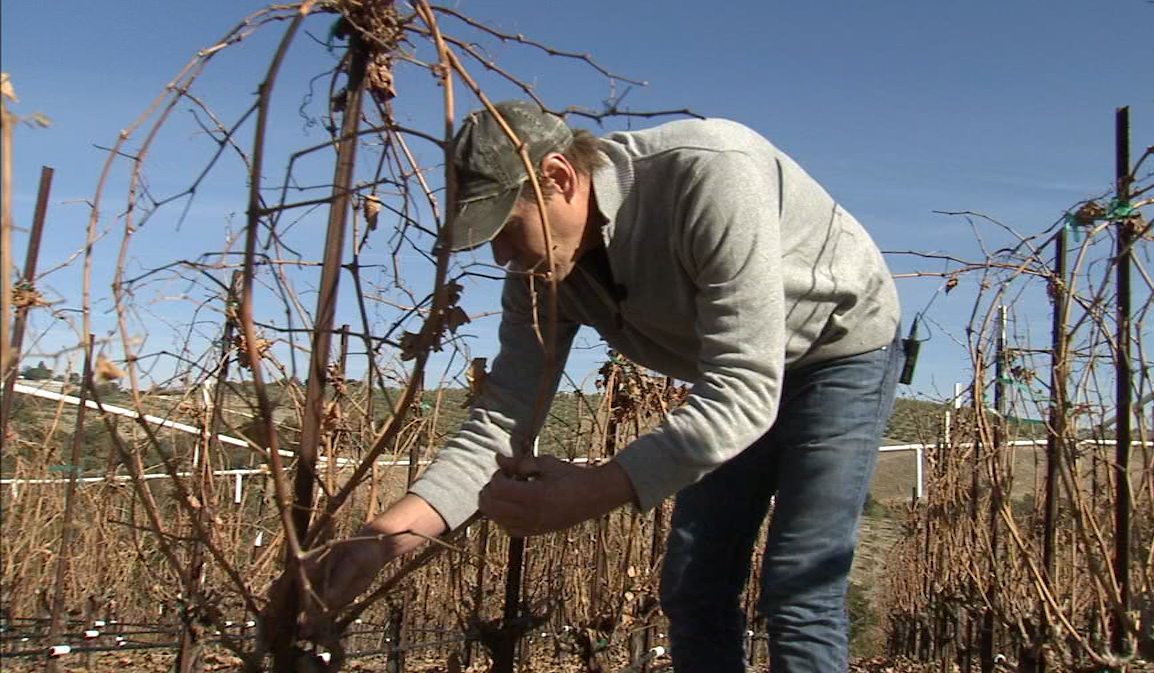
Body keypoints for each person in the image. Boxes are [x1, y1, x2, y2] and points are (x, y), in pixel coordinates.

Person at [313, 100, 901, 671]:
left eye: (505, 226)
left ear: (558, 177)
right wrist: (382, 538)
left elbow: (744, 386)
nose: (499, 255)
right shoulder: (538, 273)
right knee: (695, 588)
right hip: (733, 378)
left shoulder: (712, 171)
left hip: (838, 352)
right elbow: (503, 419)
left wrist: (592, 491)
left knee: (799, 588)